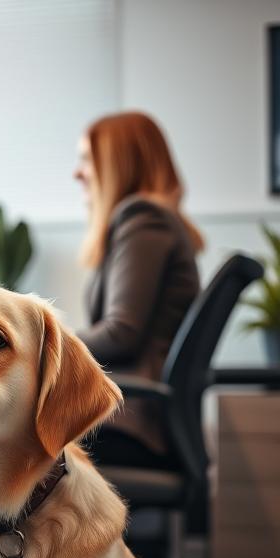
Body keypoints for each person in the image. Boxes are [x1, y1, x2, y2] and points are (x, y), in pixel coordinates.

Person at [72, 111, 203, 468]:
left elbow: (122, 332)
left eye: (86, 159)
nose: (77, 173)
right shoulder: (149, 219)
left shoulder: (142, 216)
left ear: (118, 162)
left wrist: (48, 347)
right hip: (139, 417)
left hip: (131, 423)